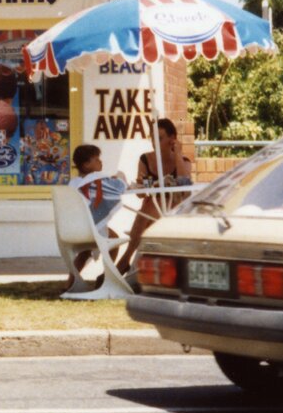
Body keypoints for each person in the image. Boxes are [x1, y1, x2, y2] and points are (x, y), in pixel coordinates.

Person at [121, 117, 193, 273]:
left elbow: (185, 188)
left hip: (175, 211)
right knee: (148, 204)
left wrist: (178, 154)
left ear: (172, 139)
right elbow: (142, 194)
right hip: (152, 211)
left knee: (148, 207)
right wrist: (142, 183)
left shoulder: (184, 161)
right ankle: (128, 261)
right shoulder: (146, 159)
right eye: (152, 138)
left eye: (159, 138)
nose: (155, 143)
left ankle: (125, 259)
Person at [68, 143, 128, 287]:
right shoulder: (94, 180)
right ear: (86, 165)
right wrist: (119, 176)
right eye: (96, 159)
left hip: (74, 229)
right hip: (90, 229)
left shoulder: (73, 183)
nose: (100, 161)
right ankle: (106, 275)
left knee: (85, 252)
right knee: (113, 240)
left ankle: (69, 283)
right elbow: (119, 187)